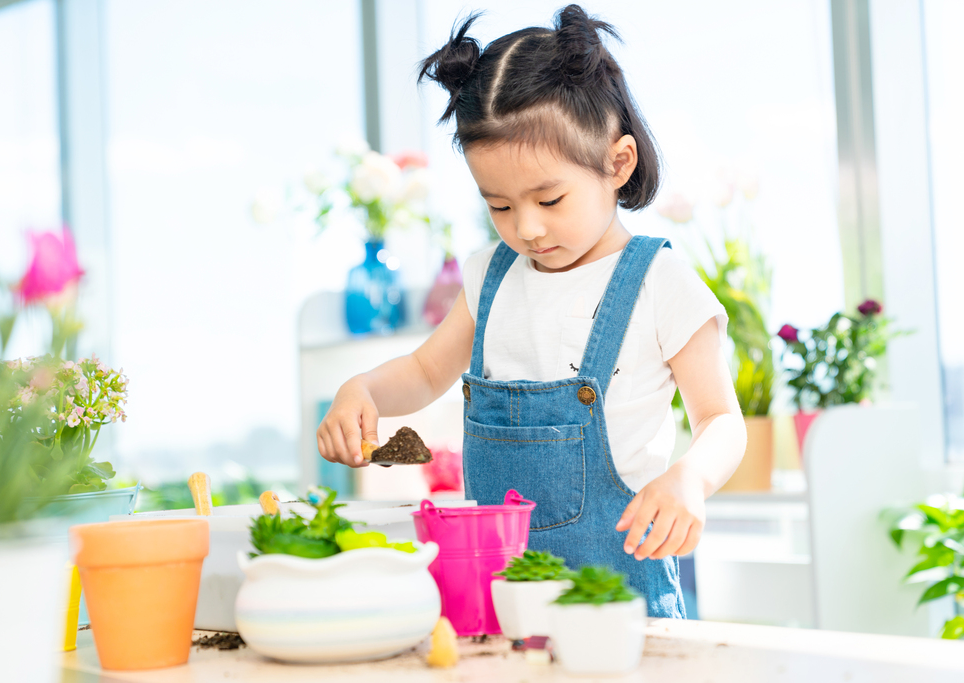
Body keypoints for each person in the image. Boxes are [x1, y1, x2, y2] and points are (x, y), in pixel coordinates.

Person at [316, 4, 746, 618]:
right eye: (500, 206)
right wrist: (365, 390)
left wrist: (691, 479)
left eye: (549, 198)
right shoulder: (493, 277)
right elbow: (423, 371)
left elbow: (721, 420)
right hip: (495, 599)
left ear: (616, 162)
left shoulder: (660, 282)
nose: (528, 228)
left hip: (621, 602)